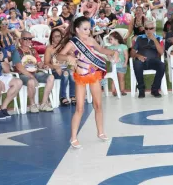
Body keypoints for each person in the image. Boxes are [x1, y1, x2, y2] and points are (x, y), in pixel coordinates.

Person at [56, 16, 119, 149]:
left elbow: (101, 50)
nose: (87, 32)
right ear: (77, 29)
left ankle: (100, 132)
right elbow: (58, 56)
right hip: (81, 76)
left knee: (98, 105)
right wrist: (67, 57)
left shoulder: (91, 40)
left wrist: (113, 51)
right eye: (84, 29)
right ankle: (73, 137)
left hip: (93, 74)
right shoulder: (73, 43)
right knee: (80, 108)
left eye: (89, 29)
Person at [12, 31, 54, 112]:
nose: (28, 40)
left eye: (30, 39)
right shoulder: (16, 52)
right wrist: (31, 76)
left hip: (35, 73)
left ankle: (44, 103)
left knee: (51, 77)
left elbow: (39, 63)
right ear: (20, 40)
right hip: (22, 75)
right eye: (25, 39)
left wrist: (43, 66)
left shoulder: (33, 50)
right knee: (31, 81)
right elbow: (19, 67)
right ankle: (32, 105)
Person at [130, 19, 165, 98]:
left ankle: (155, 89)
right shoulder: (139, 38)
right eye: (146, 28)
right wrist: (138, 56)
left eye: (151, 28)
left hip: (153, 61)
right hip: (141, 61)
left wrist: (154, 40)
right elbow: (132, 53)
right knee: (137, 63)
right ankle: (141, 89)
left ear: (154, 29)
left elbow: (162, 52)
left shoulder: (159, 38)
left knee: (162, 65)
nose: (148, 30)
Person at [44, 28, 76, 106]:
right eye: (55, 36)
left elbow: (72, 57)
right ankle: (62, 97)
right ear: (52, 38)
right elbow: (46, 63)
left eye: (59, 36)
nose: (58, 38)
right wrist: (55, 67)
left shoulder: (65, 47)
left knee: (71, 73)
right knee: (66, 73)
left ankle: (72, 95)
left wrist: (71, 53)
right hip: (55, 70)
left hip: (67, 68)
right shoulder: (49, 49)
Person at [106, 31, 128, 96]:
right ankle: (114, 91)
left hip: (121, 65)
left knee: (121, 79)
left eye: (111, 39)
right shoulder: (109, 48)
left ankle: (122, 90)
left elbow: (126, 55)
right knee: (113, 79)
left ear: (116, 39)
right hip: (113, 66)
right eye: (109, 39)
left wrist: (125, 63)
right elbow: (108, 55)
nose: (109, 40)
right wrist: (110, 58)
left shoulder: (123, 46)